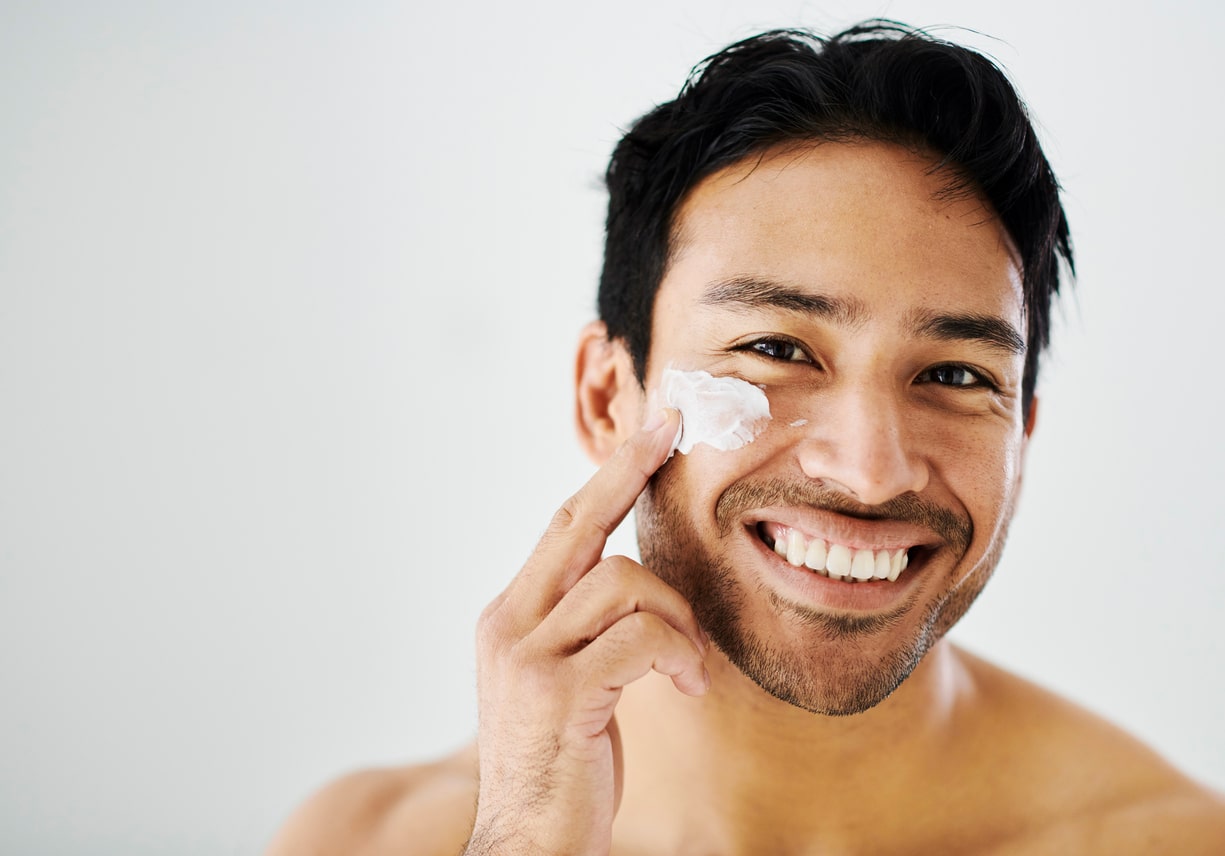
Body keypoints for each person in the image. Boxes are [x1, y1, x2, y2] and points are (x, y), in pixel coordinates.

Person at [267, 21, 1225, 854]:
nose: (867, 468)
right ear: (609, 396)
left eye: (955, 375)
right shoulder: (371, 841)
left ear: (1021, 430)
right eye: (774, 347)